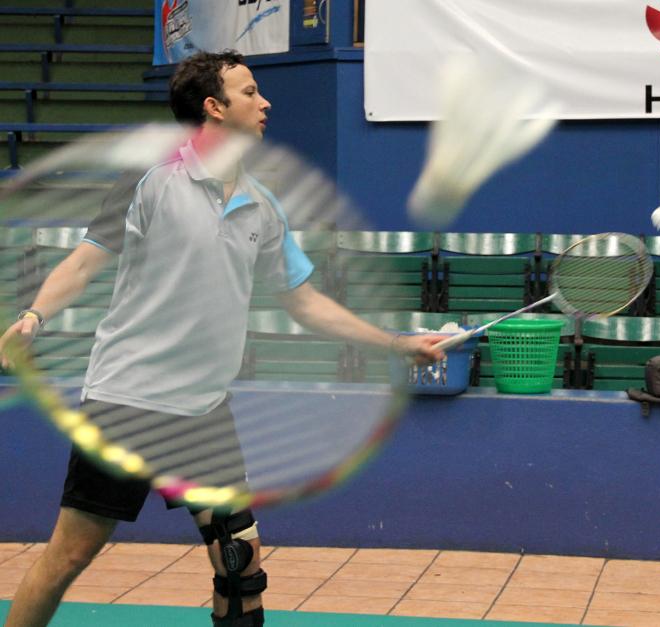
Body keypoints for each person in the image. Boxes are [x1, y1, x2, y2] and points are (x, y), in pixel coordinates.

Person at [0, 50, 444, 627]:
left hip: (204, 410)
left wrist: (395, 343)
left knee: (240, 564)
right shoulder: (151, 181)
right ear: (213, 106)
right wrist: (34, 316)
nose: (265, 103)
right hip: (127, 403)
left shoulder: (261, 204)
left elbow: (304, 301)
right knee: (69, 556)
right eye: (250, 92)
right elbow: (84, 263)